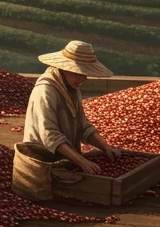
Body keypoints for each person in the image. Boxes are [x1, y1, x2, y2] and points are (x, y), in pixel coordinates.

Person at [21, 40, 121, 175]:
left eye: (85, 74)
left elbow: (83, 126)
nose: (83, 79)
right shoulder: (45, 91)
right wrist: (82, 161)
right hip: (43, 162)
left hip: (67, 159)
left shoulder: (72, 88)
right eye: (79, 73)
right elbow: (50, 135)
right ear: (65, 68)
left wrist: (104, 147)